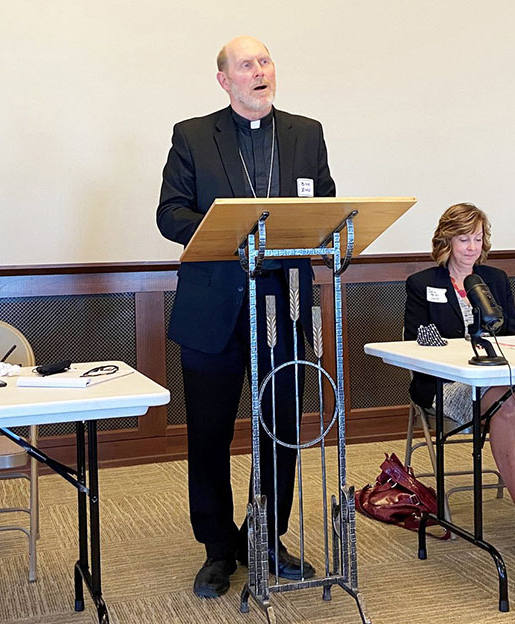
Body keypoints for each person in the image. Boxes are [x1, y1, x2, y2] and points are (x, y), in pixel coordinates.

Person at [156, 36, 334, 598]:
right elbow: (170, 214)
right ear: (224, 80)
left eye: (265, 62)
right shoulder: (191, 135)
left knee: (279, 430)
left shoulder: (306, 133)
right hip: (214, 310)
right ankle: (216, 549)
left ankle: (266, 535)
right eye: (246, 65)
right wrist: (227, 235)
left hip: (284, 310)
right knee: (208, 436)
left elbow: (325, 205)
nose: (260, 72)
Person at [404, 202, 515, 565]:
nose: (471, 246)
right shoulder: (422, 283)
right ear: (447, 241)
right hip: (448, 384)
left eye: (477, 238)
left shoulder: (495, 279)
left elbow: (513, 333)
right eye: (463, 239)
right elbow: (415, 343)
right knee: (510, 404)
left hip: (497, 374)